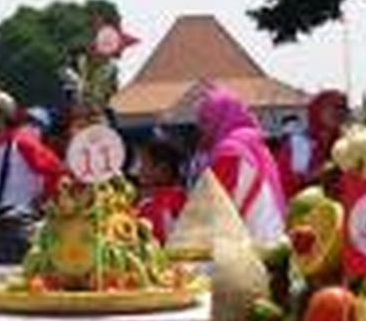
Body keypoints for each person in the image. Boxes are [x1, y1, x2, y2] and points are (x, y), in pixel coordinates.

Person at [0, 88, 63, 264]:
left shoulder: (23, 143)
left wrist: (42, 201)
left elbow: (56, 172)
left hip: (19, 225)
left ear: (0, 117)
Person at [195, 84, 286, 243]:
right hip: (274, 238)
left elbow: (215, 209)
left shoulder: (229, 151)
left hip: (250, 247)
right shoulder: (253, 142)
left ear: (220, 119)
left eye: (205, 121)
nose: (200, 129)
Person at [277, 91, 348, 195]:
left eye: (343, 108)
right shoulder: (297, 145)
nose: (340, 112)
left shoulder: (348, 143)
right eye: (335, 107)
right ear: (318, 109)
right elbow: (282, 184)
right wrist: (315, 177)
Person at [135, 137, 187, 243]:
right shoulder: (148, 198)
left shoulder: (172, 200)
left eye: (144, 165)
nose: (139, 170)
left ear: (163, 170)